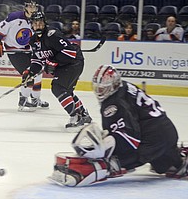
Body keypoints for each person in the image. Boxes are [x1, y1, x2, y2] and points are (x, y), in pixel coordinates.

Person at [49, 65, 188, 187]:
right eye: (98, 89)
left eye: (104, 89)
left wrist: (109, 153)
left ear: (114, 85)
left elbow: (130, 139)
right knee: (162, 166)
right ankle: (177, 159)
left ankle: (101, 168)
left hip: (154, 139)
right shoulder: (124, 87)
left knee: (126, 158)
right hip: (167, 131)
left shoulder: (114, 103)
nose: (100, 93)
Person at [23, 11, 92, 129]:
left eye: (40, 23)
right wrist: (31, 73)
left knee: (58, 88)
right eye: (35, 23)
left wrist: (52, 62)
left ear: (44, 23)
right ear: (31, 25)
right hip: (63, 65)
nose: (38, 26)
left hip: (74, 62)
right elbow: (37, 59)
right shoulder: (33, 40)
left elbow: (70, 52)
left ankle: (75, 116)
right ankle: (84, 114)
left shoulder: (52, 34)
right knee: (67, 91)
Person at [0, 0, 49, 112]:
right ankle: (22, 101)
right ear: (25, 7)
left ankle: (35, 99)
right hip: (15, 51)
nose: (32, 8)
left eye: (34, 6)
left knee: (38, 73)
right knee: (28, 73)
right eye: (30, 6)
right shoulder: (14, 17)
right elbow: (1, 29)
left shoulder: (36, 20)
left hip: (28, 50)